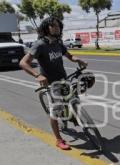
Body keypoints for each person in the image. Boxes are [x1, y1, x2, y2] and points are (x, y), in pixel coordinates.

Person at [19, 17, 88, 150]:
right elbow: (23, 63)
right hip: (51, 83)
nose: (57, 28)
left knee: (75, 99)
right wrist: (37, 75)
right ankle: (58, 139)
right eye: (53, 26)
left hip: (64, 78)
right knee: (55, 111)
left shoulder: (58, 42)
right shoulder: (39, 45)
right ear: (46, 28)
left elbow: (69, 56)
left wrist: (77, 59)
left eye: (58, 26)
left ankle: (70, 115)